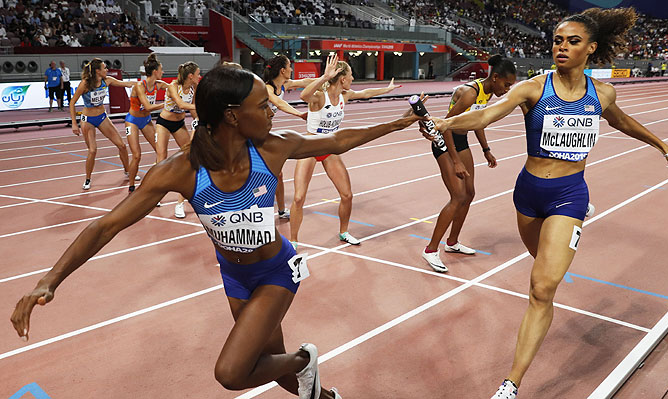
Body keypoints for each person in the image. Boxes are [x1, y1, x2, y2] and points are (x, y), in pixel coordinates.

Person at [11, 64, 421, 399]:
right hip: (235, 278)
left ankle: (303, 359)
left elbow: (340, 139)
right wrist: (49, 280)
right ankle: (319, 392)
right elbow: (106, 225)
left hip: (276, 272)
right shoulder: (182, 170)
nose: (272, 112)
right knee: (267, 368)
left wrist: (399, 123)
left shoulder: (272, 148)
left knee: (232, 372)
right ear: (231, 115)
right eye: (263, 106)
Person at [430, 8, 668, 398]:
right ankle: (556, 256)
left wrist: (664, 146)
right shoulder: (533, 87)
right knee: (542, 268)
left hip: (570, 194)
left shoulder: (602, 93)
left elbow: (621, 121)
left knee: (541, 289)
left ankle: (510, 384)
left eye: (573, 41)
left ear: (591, 48)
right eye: (557, 40)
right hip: (528, 193)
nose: (562, 47)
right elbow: (488, 113)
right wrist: (449, 123)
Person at [290, 54, 400, 248]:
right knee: (299, 197)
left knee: (347, 195)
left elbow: (366, 93)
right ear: (342, 79)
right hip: (309, 147)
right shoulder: (319, 96)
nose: (353, 79)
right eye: (351, 76)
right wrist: (323, 77)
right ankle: (293, 241)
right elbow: (303, 96)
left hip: (330, 147)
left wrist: (387, 89)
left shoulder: (345, 95)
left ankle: (344, 232)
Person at [421, 55, 516, 273]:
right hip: (445, 141)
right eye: (506, 84)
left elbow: (477, 121)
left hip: (460, 140)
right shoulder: (469, 93)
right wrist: (455, 162)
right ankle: (430, 249)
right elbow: (446, 126)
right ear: (495, 78)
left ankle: (452, 243)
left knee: (470, 193)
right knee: (458, 196)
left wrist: (486, 149)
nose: (507, 89)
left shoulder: (487, 92)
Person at [262, 55, 317, 221]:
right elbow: (280, 104)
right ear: (282, 70)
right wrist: (300, 114)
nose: (292, 69)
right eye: (289, 67)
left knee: (277, 174)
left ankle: (280, 210)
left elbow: (304, 83)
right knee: (263, 176)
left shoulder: (284, 84)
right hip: (251, 135)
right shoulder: (267, 89)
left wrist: (326, 78)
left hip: (265, 134)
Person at [69, 58, 136, 190]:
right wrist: (74, 123)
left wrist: (142, 84)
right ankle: (87, 179)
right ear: (97, 71)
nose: (107, 70)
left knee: (122, 145)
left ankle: (128, 171)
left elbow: (125, 84)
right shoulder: (85, 84)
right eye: (104, 68)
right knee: (93, 150)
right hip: (87, 120)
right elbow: (72, 103)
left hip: (102, 117)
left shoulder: (107, 80)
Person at [155, 61, 200, 218]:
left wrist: (199, 119)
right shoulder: (173, 86)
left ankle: (181, 201)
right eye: (198, 74)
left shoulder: (193, 88)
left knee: (188, 156)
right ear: (190, 76)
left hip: (179, 124)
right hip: (164, 123)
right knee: (161, 158)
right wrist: (204, 106)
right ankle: (156, 192)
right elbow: (181, 103)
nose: (199, 76)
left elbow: (192, 109)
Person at [125, 54, 169, 192]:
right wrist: (164, 104)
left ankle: (155, 182)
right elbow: (148, 107)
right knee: (137, 155)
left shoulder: (159, 85)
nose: (163, 72)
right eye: (161, 70)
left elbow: (174, 87)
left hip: (146, 121)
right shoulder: (140, 86)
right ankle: (132, 186)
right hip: (132, 121)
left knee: (160, 151)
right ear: (155, 71)